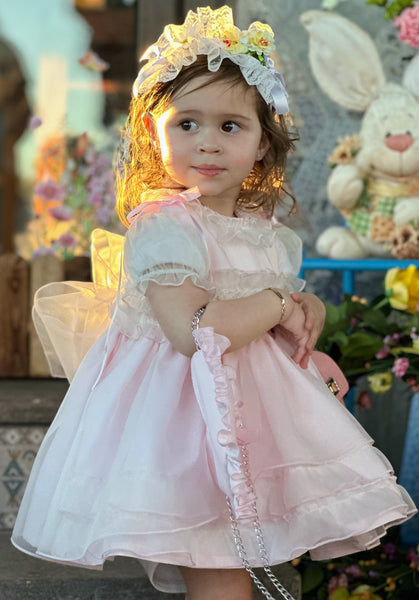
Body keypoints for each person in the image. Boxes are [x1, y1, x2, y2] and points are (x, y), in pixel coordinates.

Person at [11, 6, 416, 600]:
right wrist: (280, 305)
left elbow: (267, 312)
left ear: (262, 143)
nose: (207, 142)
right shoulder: (165, 227)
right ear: (154, 132)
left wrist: (303, 317)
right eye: (186, 123)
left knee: (244, 567)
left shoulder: (263, 232)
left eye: (231, 126)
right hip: (186, 429)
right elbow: (194, 329)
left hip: (256, 419)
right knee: (221, 570)